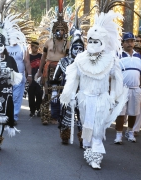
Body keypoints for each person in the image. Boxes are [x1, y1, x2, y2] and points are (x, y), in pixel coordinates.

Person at [60, 9, 128, 169]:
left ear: (103, 42)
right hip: (84, 99)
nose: (92, 44)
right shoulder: (80, 58)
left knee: (98, 128)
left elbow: (117, 79)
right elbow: (73, 77)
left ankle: (96, 155)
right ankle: (89, 147)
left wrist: (113, 97)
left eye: (96, 41)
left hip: (101, 99)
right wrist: (68, 93)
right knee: (87, 124)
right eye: (90, 41)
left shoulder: (110, 59)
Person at [50, 18, 85, 146]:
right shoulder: (64, 62)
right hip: (66, 94)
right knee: (65, 115)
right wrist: (54, 93)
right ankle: (65, 135)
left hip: (82, 95)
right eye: (76, 48)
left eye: (81, 48)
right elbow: (55, 79)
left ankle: (83, 138)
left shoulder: (87, 64)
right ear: (71, 49)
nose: (78, 51)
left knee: (82, 118)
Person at [36, 6, 70, 125]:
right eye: (58, 29)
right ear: (54, 29)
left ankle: (56, 116)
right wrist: (40, 72)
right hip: (49, 69)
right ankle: (45, 116)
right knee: (47, 92)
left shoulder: (67, 44)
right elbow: (43, 57)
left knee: (60, 93)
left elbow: (69, 59)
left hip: (62, 70)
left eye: (62, 29)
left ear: (65, 31)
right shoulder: (48, 42)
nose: (60, 31)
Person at [114, 32, 141, 144]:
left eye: (132, 41)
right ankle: (118, 135)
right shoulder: (118, 55)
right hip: (122, 89)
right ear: (123, 43)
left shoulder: (138, 56)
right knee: (120, 113)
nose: (130, 43)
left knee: (133, 113)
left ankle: (130, 132)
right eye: (127, 41)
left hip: (135, 88)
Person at [6, 43, 32, 125]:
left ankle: (13, 117)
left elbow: (27, 61)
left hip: (19, 77)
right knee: (7, 97)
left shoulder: (23, 47)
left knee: (16, 97)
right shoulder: (4, 46)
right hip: (6, 77)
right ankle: (6, 116)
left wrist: (30, 74)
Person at [28, 41, 42, 117]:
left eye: (37, 47)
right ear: (31, 47)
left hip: (39, 78)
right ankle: (32, 110)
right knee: (31, 95)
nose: (36, 49)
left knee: (39, 94)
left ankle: (39, 109)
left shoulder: (41, 56)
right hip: (31, 78)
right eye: (34, 47)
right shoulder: (29, 57)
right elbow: (26, 67)